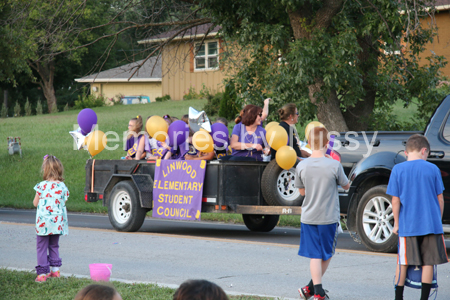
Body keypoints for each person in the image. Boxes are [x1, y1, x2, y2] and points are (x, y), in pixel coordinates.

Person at [386, 134, 448, 300]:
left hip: (408, 225)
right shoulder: (433, 169)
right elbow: (440, 198)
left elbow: (395, 200)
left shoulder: (398, 170)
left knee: (403, 261)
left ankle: (398, 297)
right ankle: (424, 298)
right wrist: (438, 219)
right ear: (424, 150)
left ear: (406, 152)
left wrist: (397, 224)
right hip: (431, 225)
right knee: (428, 262)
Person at [294, 126, 350, 300]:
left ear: (309, 143)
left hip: (309, 216)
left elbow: (302, 193)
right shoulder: (334, 165)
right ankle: (318, 292)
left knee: (314, 255)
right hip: (328, 217)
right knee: (327, 254)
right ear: (327, 144)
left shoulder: (302, 166)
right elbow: (346, 186)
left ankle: (311, 290)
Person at [33, 155, 70, 282]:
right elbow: (64, 200)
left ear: (45, 170)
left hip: (43, 224)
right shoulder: (62, 187)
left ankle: (42, 274)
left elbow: (35, 203)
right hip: (57, 224)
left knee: (41, 247)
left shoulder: (41, 186)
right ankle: (55, 271)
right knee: (54, 245)